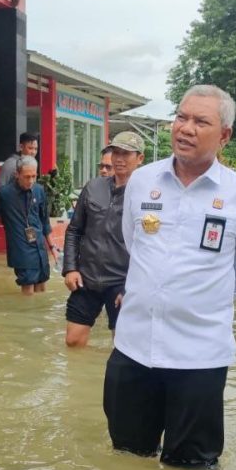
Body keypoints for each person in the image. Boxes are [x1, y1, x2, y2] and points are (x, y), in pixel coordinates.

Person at [105, 85, 236, 468]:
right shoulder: (142, 182)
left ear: (224, 135)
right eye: (181, 117)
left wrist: (193, 300)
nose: (186, 128)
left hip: (199, 358)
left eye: (201, 121)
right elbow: (135, 246)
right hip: (134, 350)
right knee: (127, 460)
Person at [63, 131, 145, 348]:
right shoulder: (93, 187)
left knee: (122, 346)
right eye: (116, 152)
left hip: (121, 281)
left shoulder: (147, 196)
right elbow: (74, 231)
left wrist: (133, 287)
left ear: (140, 158)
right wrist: (70, 268)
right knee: (73, 342)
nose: (119, 158)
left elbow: (151, 248)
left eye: (126, 153)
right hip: (86, 278)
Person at [0, 156, 57, 295]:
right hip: (21, 249)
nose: (31, 181)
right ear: (17, 174)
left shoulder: (39, 190)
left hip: (39, 247)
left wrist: (52, 247)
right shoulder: (5, 193)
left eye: (34, 176)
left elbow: (44, 221)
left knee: (42, 287)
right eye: (27, 177)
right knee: (28, 289)